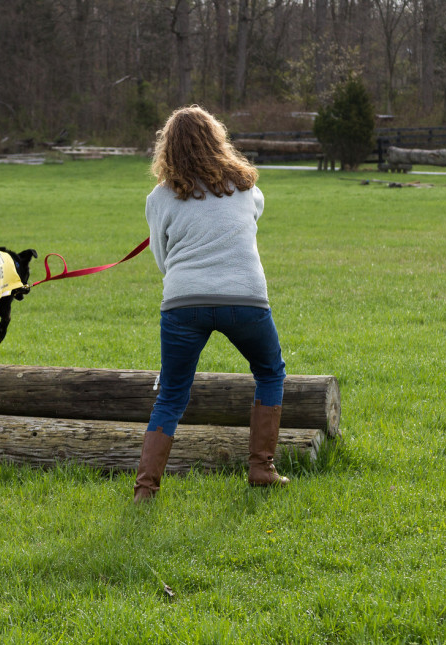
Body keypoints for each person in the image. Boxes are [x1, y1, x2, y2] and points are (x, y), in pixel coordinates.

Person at [133, 105, 288, 503]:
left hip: (183, 301)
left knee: (171, 394)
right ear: (217, 139)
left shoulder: (159, 197)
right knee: (270, 372)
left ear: (168, 148)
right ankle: (261, 468)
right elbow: (249, 223)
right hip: (246, 299)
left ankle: (145, 491)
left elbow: (162, 261)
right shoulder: (248, 188)